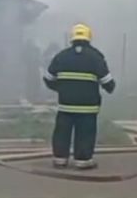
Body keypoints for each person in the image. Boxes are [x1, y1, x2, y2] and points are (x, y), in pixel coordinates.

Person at [43, 23, 116, 169]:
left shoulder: (61, 56)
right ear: (89, 38)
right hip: (87, 107)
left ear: (72, 38)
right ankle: (83, 160)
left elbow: (48, 78)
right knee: (85, 133)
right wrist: (110, 88)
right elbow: (108, 83)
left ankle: (60, 159)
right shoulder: (96, 57)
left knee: (62, 132)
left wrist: (61, 89)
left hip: (65, 105)